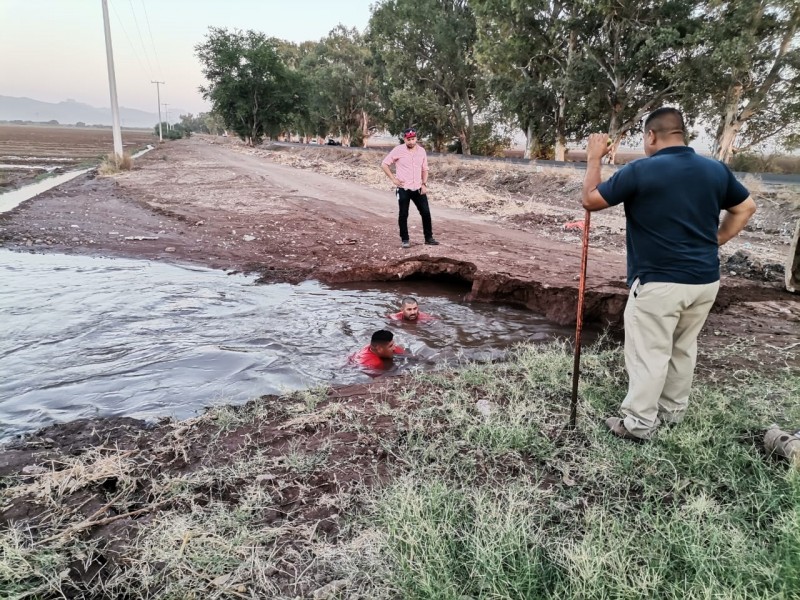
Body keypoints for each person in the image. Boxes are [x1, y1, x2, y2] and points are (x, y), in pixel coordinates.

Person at [581, 107, 756, 442]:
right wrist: (715, 240)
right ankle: (672, 413)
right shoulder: (715, 170)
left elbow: (590, 201)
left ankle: (638, 424)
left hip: (659, 283)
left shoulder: (641, 171)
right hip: (705, 281)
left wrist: (593, 159)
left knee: (649, 353)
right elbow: (745, 207)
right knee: (682, 348)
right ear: (681, 134)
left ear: (651, 136)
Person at [381, 127, 440, 248]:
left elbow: (425, 169)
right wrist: (393, 179)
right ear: (404, 139)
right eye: (409, 139)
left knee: (426, 213)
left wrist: (424, 184)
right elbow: (384, 164)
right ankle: (405, 239)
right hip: (403, 188)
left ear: (416, 138)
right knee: (403, 214)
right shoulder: (398, 150)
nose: (411, 142)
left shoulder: (422, 151)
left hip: (418, 188)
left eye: (413, 139)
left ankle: (428, 238)